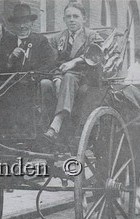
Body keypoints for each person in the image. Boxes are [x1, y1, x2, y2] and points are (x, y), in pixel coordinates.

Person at [43, 2, 104, 141]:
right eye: (68, 16)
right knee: (44, 83)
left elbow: (97, 55)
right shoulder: (57, 39)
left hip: (86, 78)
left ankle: (57, 121)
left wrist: (75, 61)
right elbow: (53, 63)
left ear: (84, 18)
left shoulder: (92, 36)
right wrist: (56, 78)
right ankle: (44, 124)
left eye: (76, 16)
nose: (72, 20)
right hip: (62, 77)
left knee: (69, 77)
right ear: (64, 19)